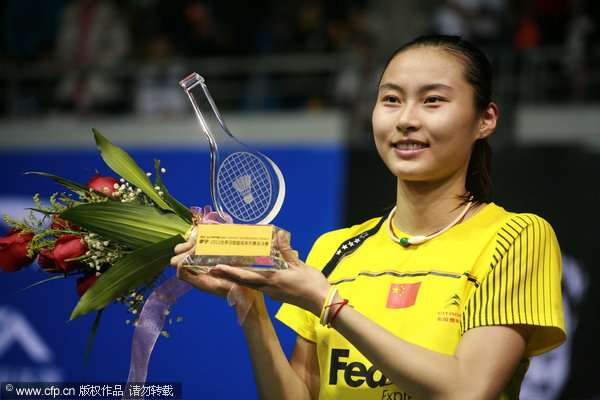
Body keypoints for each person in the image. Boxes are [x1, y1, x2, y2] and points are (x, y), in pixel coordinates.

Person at [171, 35, 565, 399]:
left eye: (433, 101)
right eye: (391, 99)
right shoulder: (336, 249)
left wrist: (328, 304)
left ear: (486, 119)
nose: (406, 119)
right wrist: (250, 305)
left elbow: (467, 390)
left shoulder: (515, 237)